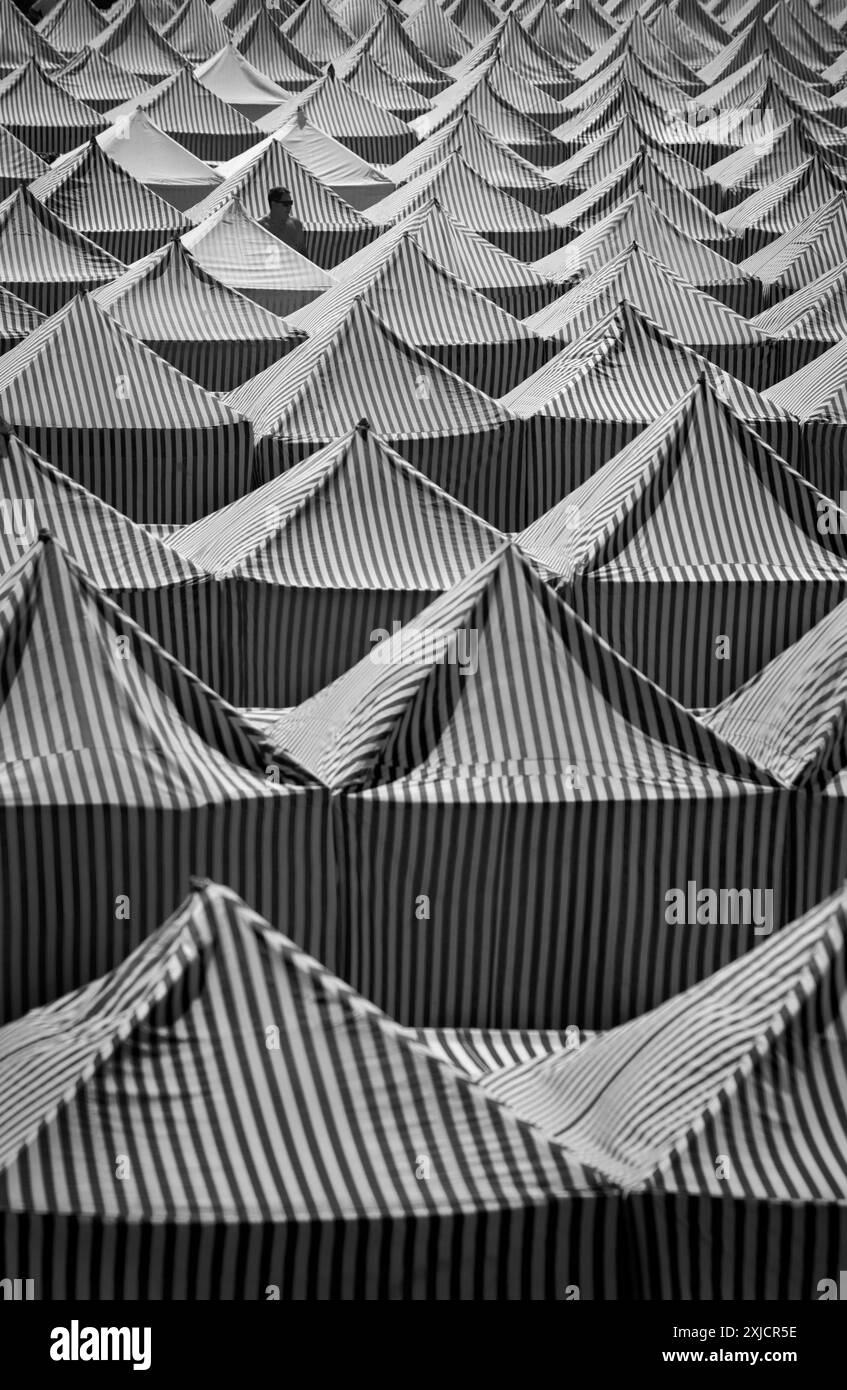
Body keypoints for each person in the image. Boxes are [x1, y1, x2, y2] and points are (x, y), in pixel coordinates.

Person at [261, 187, 305, 254]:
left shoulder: (296, 224)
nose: (289, 207)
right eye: (286, 204)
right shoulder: (259, 226)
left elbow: (302, 252)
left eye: (290, 203)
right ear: (274, 204)